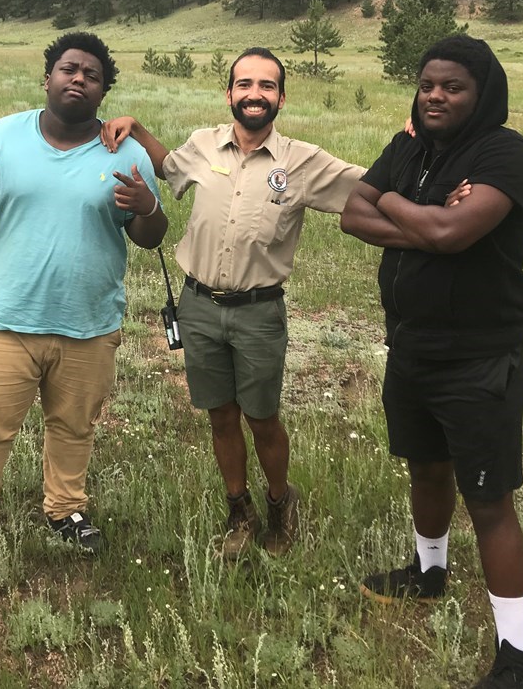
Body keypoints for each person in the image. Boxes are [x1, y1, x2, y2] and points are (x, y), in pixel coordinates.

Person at [101, 48, 364, 558]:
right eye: (244, 85)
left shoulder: (303, 162)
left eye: (266, 86)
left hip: (259, 312)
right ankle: (238, 510)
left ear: (281, 97)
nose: (254, 95)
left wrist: (423, 165)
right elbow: (167, 166)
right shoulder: (204, 144)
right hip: (198, 305)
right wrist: (134, 127)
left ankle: (279, 503)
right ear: (230, 94)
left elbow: (368, 187)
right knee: (220, 415)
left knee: (262, 418)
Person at [0, 32, 168, 592]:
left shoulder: (126, 153)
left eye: (91, 73)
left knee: (73, 426)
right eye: (68, 68)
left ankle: (66, 511)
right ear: (48, 78)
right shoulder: (2, 139)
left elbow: (149, 238)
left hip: (89, 324)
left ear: (104, 89)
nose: (78, 78)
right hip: (6, 321)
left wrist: (149, 207)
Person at [340, 34, 523, 688]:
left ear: (481, 93)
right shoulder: (410, 148)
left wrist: (406, 211)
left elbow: (453, 233)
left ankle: (516, 655)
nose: (435, 95)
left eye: (452, 86)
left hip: (480, 356)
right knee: (426, 470)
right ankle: (428, 574)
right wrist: (425, 215)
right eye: (427, 84)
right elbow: (351, 212)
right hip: (411, 347)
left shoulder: (505, 155)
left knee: (488, 499)